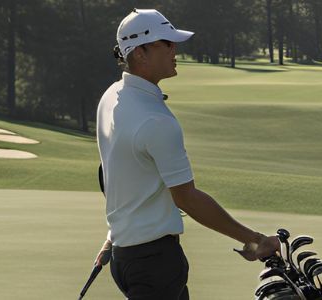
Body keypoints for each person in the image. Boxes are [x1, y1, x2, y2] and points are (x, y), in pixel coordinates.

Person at [92, 9, 281, 299]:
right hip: (154, 262)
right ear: (140, 53)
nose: (174, 49)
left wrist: (115, 235)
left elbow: (116, 173)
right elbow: (187, 199)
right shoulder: (156, 121)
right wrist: (254, 239)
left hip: (124, 257)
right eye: (165, 43)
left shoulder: (111, 96)